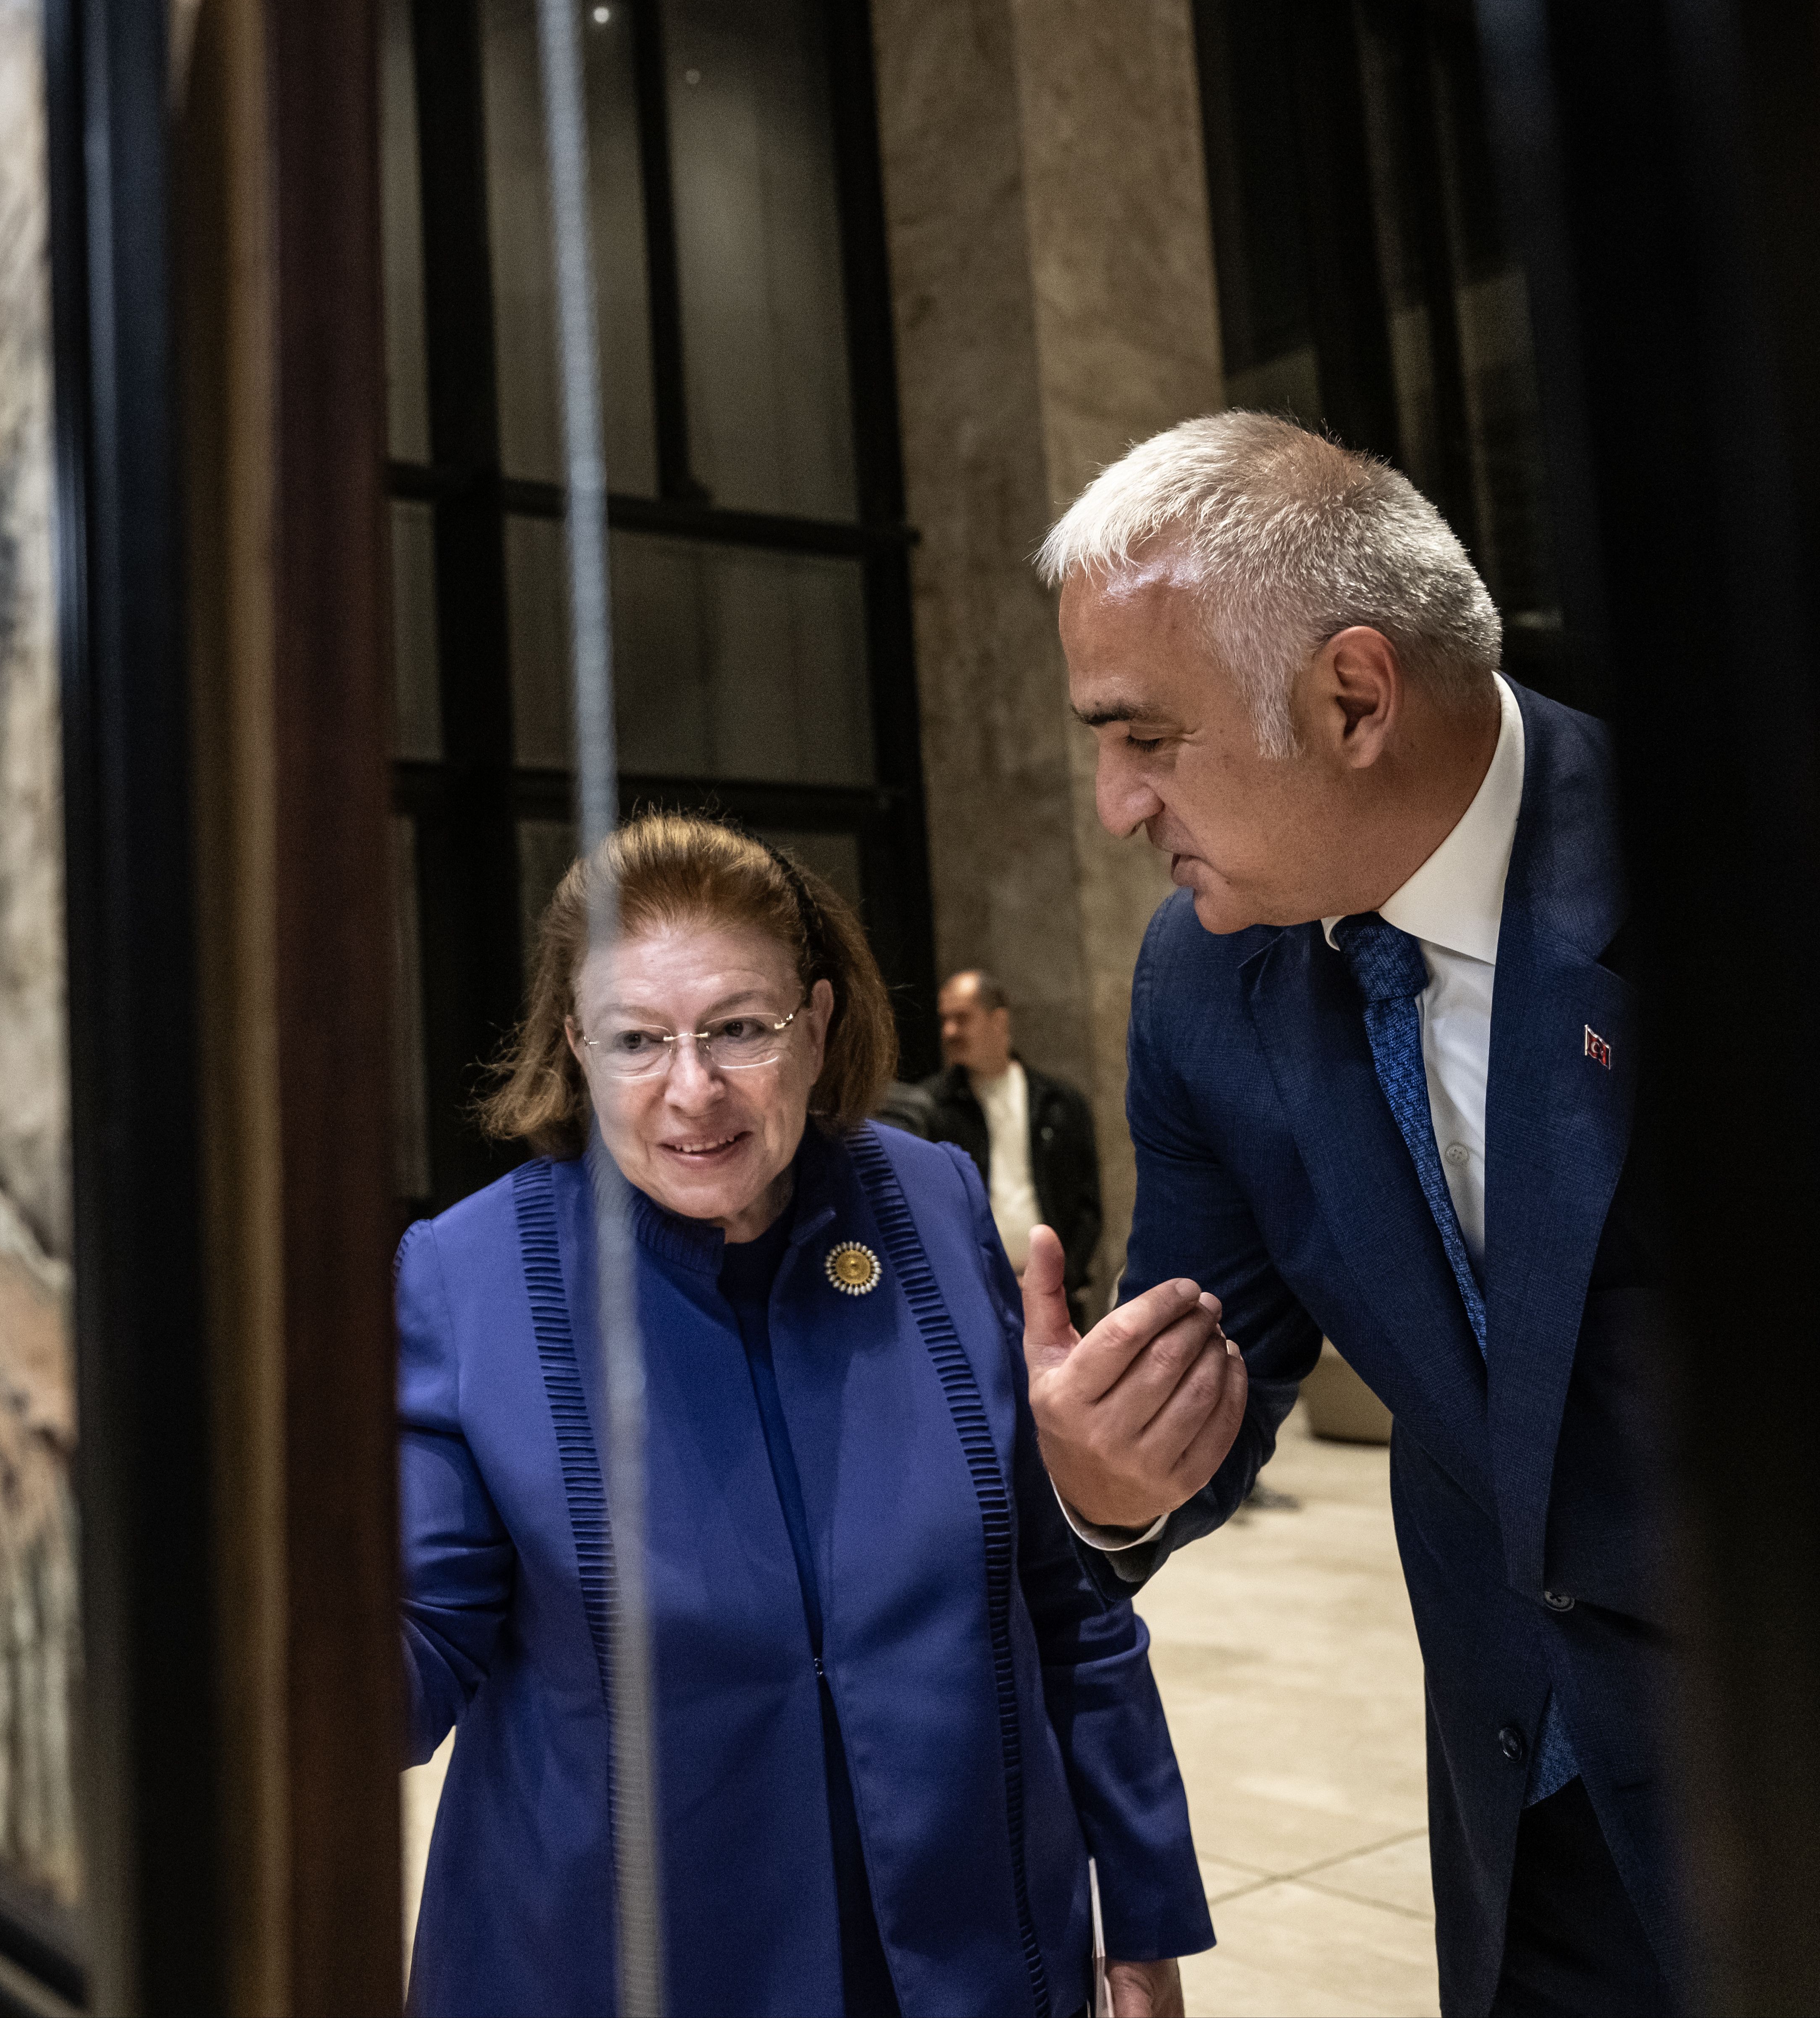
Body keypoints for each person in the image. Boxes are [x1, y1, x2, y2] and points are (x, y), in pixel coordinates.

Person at [1013, 409, 1820, 2015]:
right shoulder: (1204, 981)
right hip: (1555, 1841)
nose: (1112, 802)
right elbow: (1200, 1379)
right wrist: (1111, 1484)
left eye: (1145, 737)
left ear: (1354, 696)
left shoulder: (1819, 933)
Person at [397, 814, 1211, 2018]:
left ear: (818, 1023)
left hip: (977, 1957)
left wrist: (1146, 1918)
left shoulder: (928, 1201)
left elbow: (1063, 1597)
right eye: (636, 1038)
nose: (692, 1087)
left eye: (739, 1027)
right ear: (575, 1045)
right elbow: (413, 1651)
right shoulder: (468, 1276)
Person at [923, 971, 1103, 1315]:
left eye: (962, 1019)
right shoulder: (931, 1106)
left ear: (998, 1021)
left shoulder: (1059, 1102)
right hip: (974, 1299)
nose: (949, 1032)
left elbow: (1088, 1206)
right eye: (945, 1020)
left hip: (1055, 1294)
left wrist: (1062, 1278)